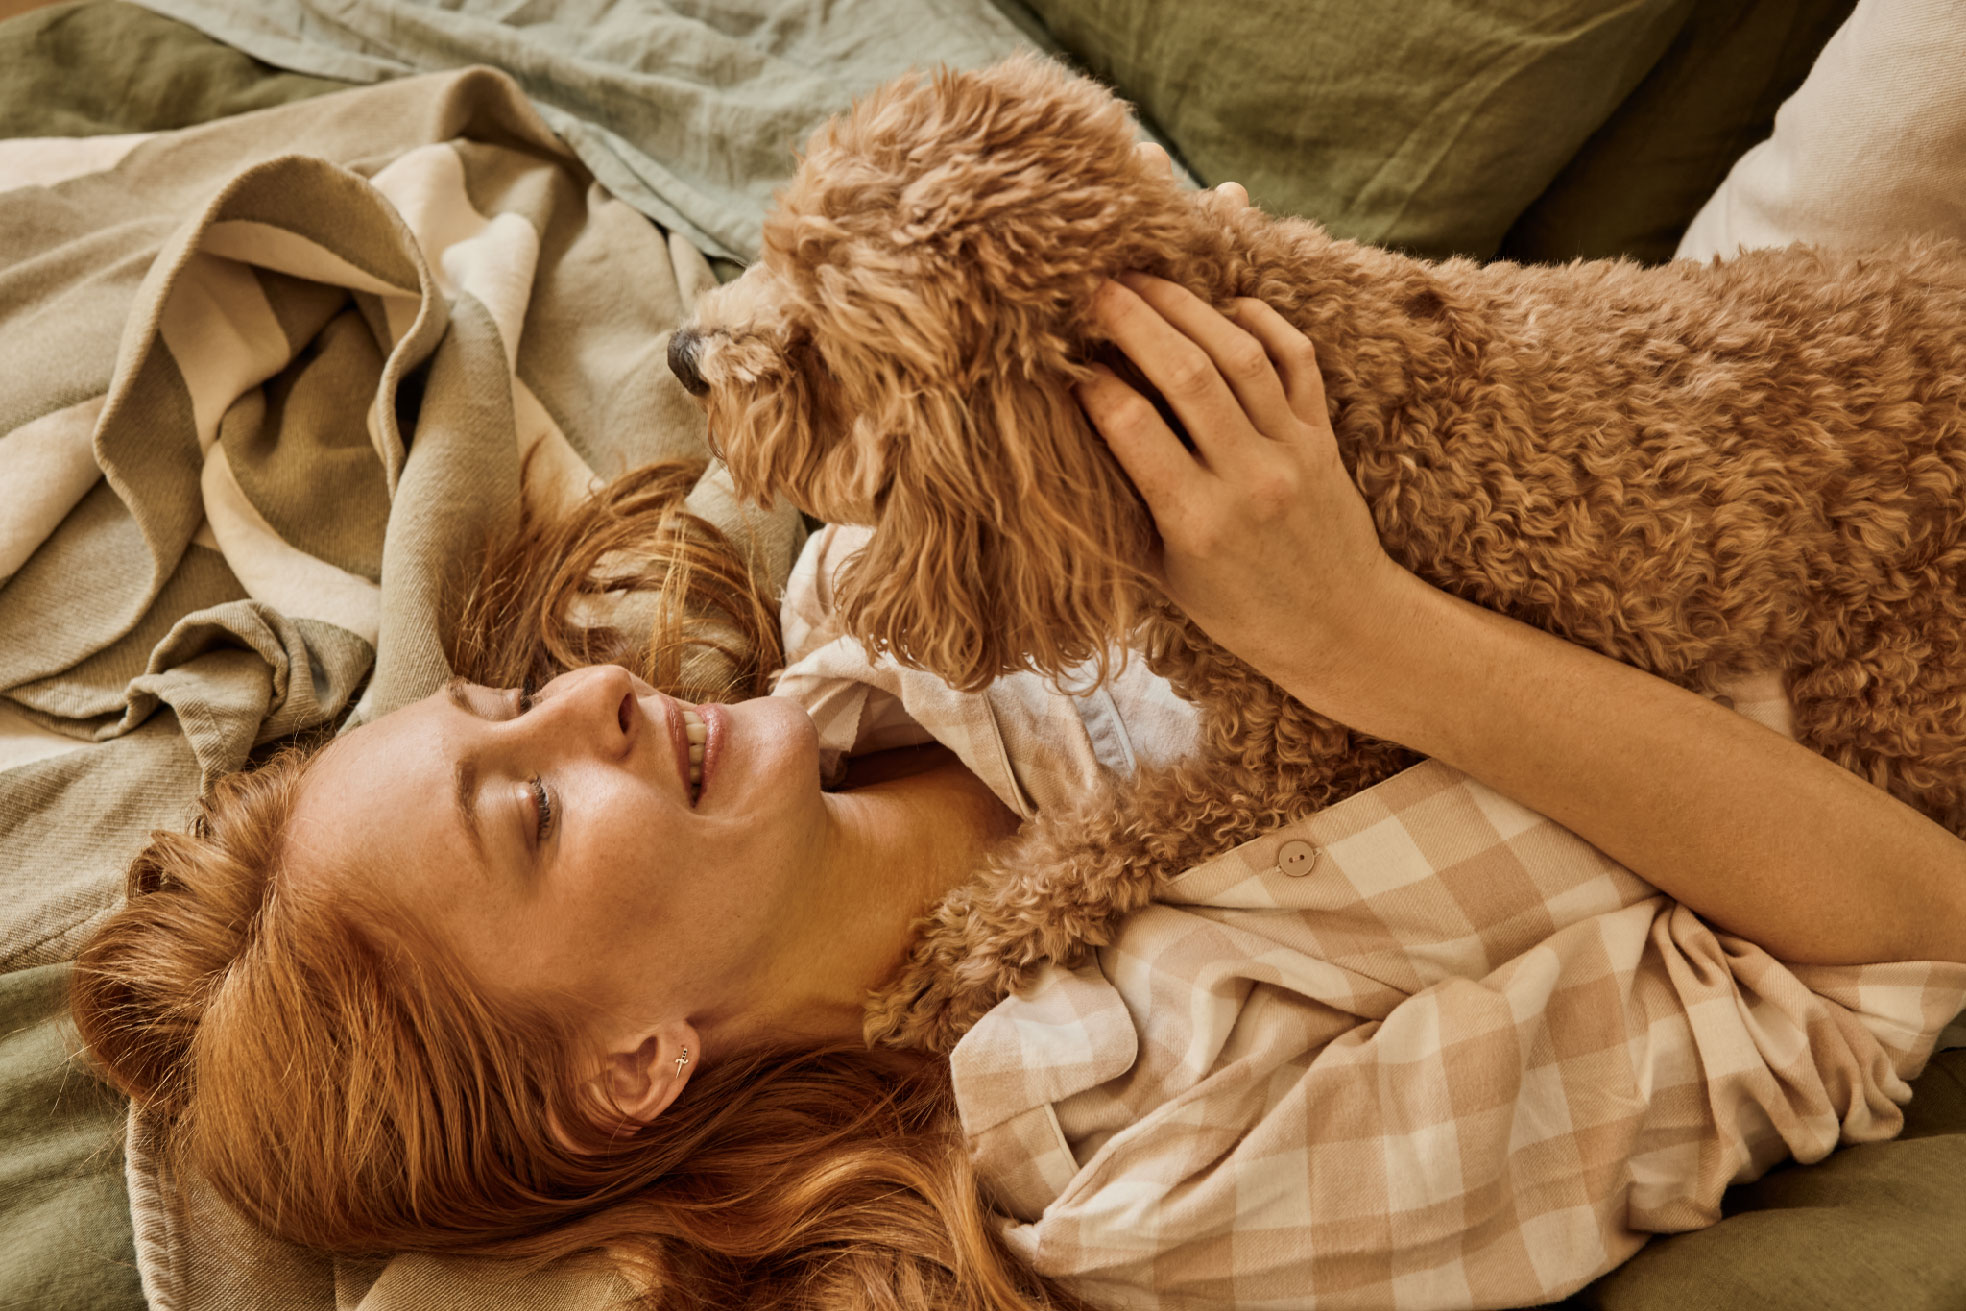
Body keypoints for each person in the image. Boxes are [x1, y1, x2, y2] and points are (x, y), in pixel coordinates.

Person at [72, 275, 1966, 1311]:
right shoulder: (1155, 1172)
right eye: (536, 814)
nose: (597, 704)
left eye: (511, 702)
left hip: (1728, 386)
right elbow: (1896, 941)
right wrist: (1360, 643)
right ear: (627, 1067)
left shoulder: (879, 583)